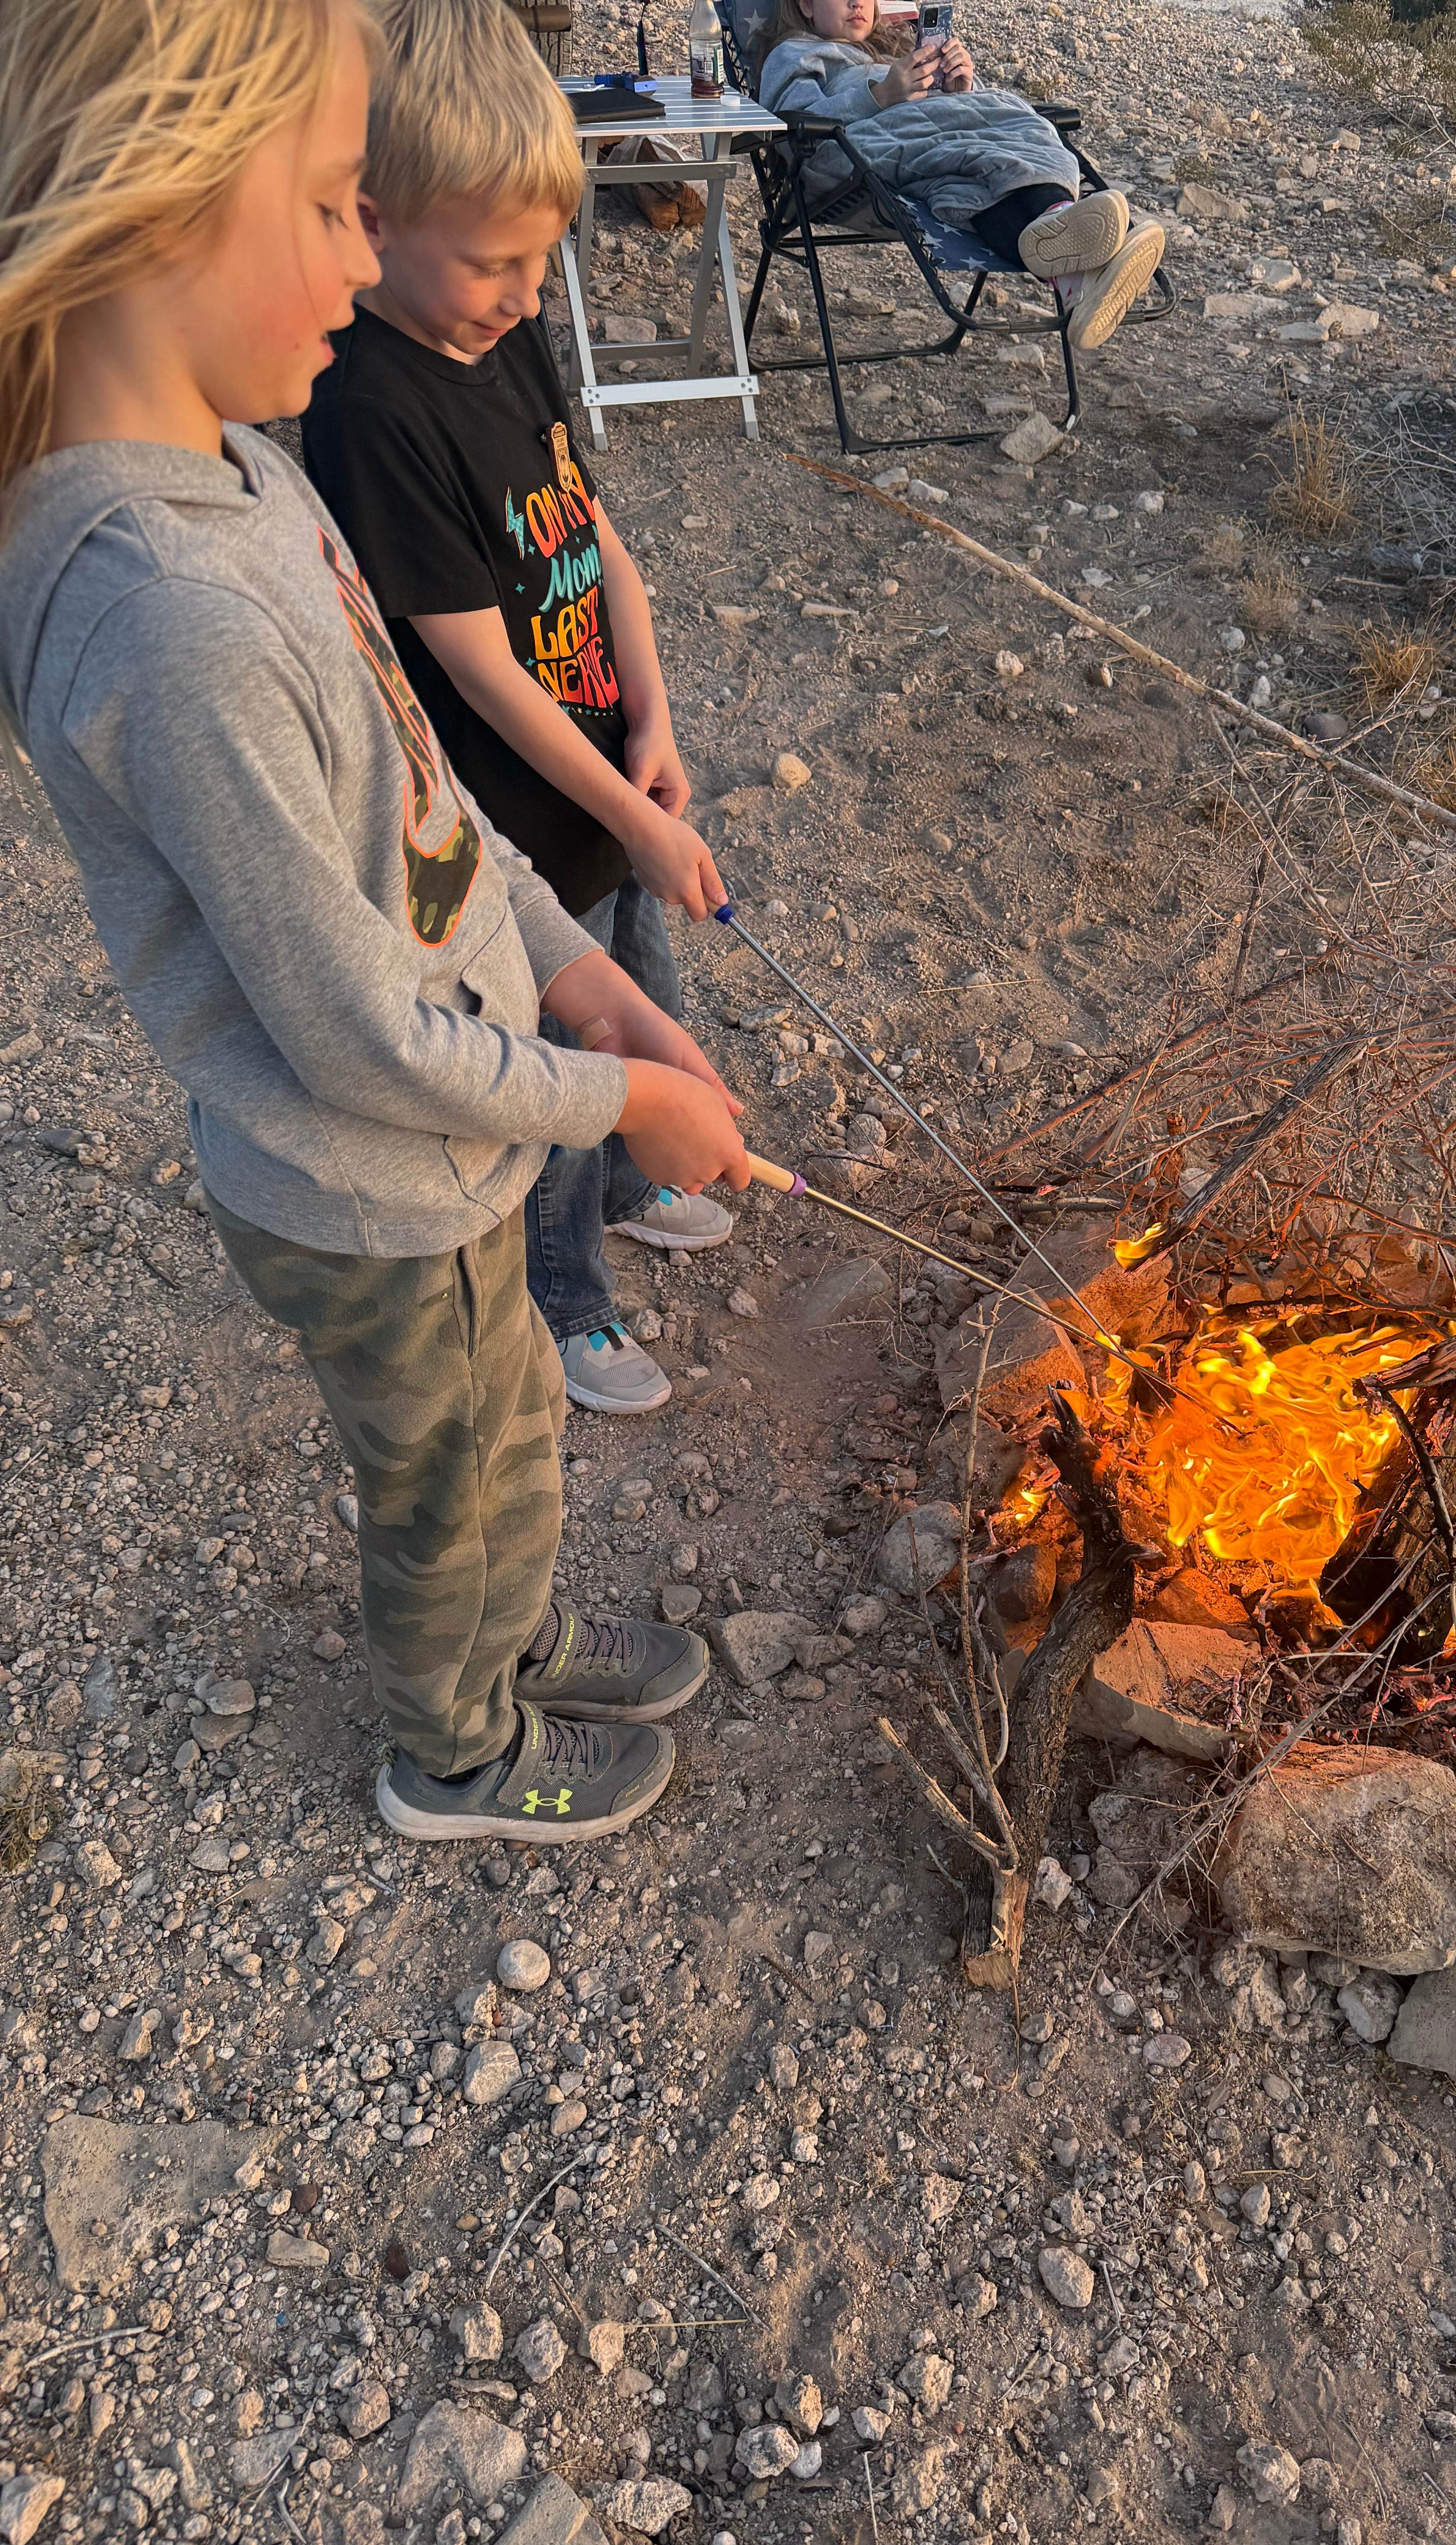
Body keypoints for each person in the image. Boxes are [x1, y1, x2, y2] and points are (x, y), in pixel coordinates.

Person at [0, 0, 750, 1844]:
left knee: (506, 1433)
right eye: (340, 205)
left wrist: (588, 987)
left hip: (457, 1138)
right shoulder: (168, 617)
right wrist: (620, 1110)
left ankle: (514, 1640)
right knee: (448, 1466)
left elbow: (427, 794)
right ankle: (459, 1754)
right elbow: (352, 1036)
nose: (364, 255)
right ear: (169, 209)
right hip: (364, 1185)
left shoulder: (255, 470)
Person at [303, 0, 731, 1424]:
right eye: (492, 261)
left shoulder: (507, 328)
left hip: (608, 781)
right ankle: (565, 1300)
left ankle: (634, 1182)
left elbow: (599, 538)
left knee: (643, 997)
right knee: (563, 1065)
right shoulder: (372, 404)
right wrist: (623, 812)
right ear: (374, 224)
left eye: (539, 258)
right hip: (514, 821)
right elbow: (478, 669)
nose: (521, 291)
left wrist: (652, 728)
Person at [756, 0, 1164, 350]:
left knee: (979, 179)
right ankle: (1093, 250)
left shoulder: (897, 45)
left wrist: (962, 88)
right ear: (806, 4)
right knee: (984, 153)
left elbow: (974, 114)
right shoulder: (795, 54)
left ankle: (1078, 285)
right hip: (860, 160)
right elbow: (790, 130)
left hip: (934, 163)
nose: (857, 3)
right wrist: (879, 96)